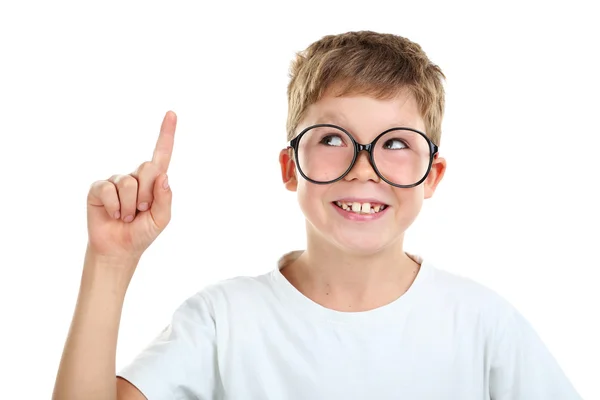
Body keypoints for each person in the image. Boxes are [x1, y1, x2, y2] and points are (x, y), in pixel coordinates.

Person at [52, 30, 581, 400]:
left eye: (395, 143)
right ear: (290, 166)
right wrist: (110, 262)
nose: (363, 168)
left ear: (432, 175)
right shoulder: (224, 322)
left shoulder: (483, 324)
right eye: (332, 138)